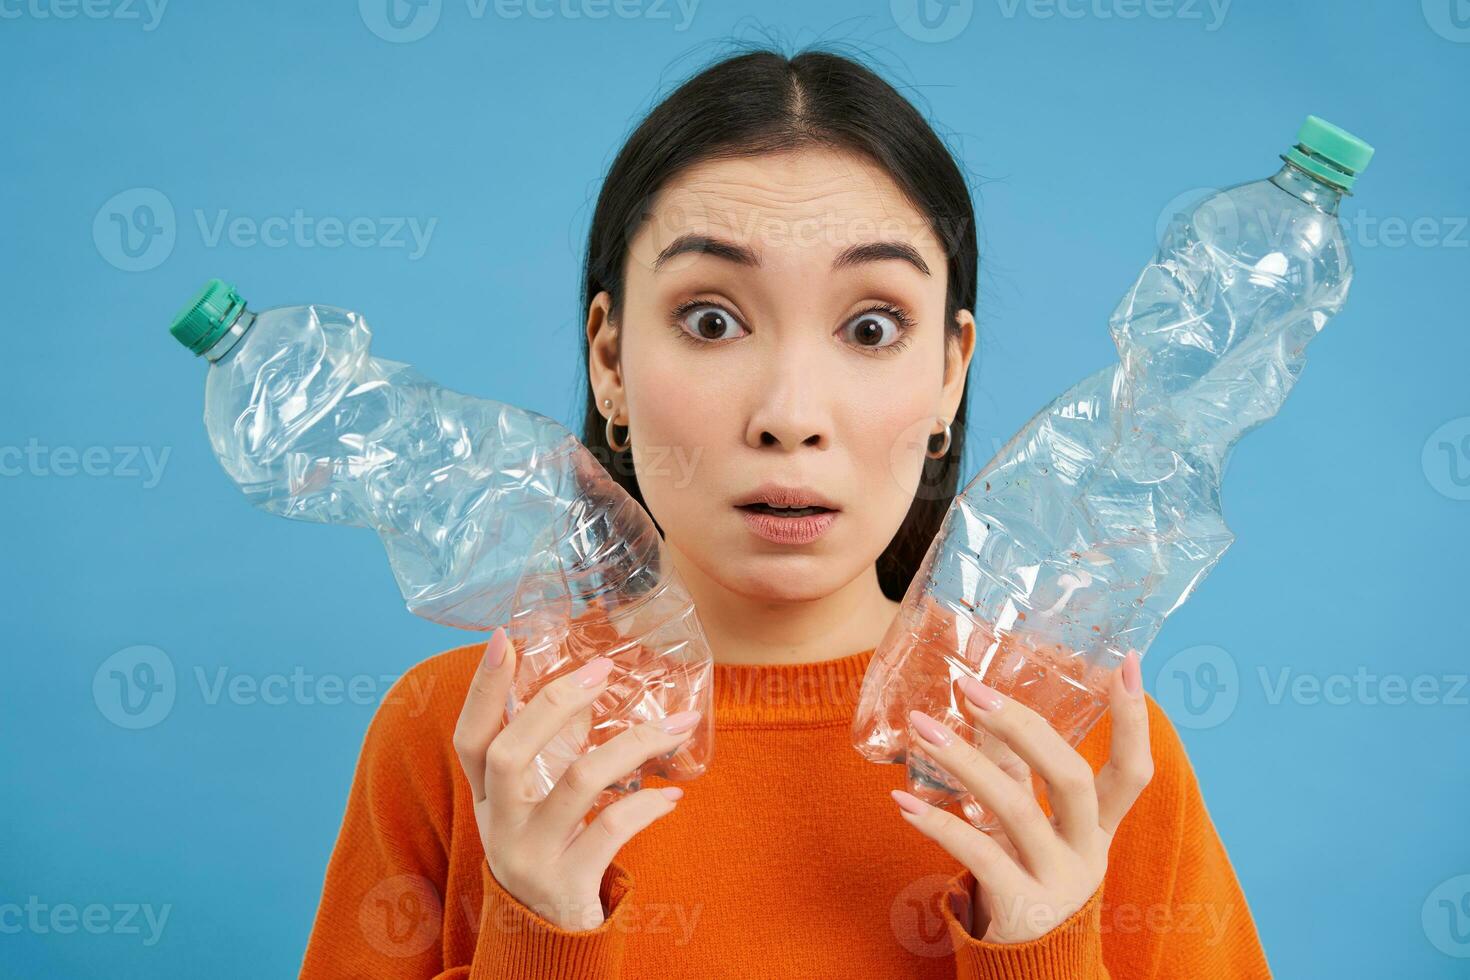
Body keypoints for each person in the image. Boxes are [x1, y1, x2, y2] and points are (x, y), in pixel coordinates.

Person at [299, 46, 1272, 979]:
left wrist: (1042, 949)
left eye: (871, 326)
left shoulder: (1070, 754)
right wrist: (541, 934)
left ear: (949, 371)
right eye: (712, 319)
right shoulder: (469, 738)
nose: (790, 416)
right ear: (609, 361)